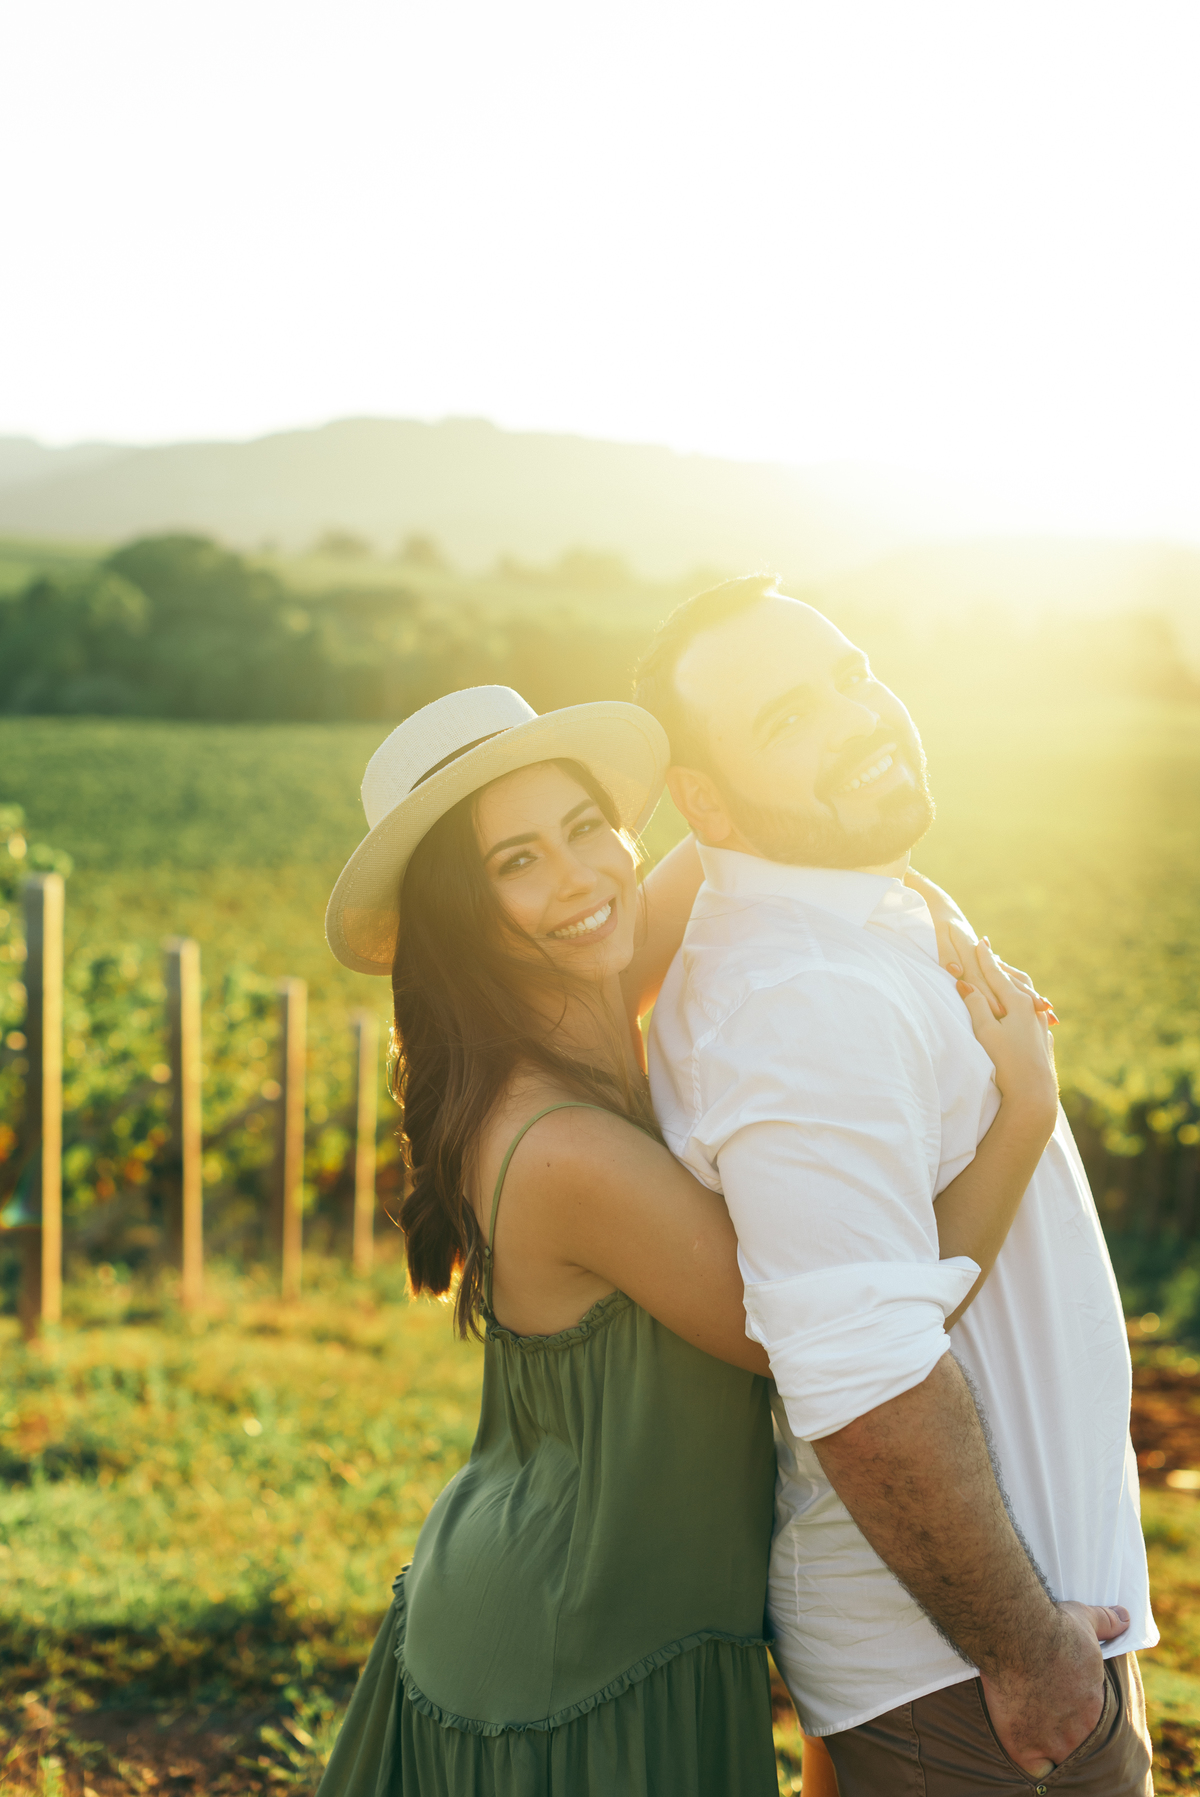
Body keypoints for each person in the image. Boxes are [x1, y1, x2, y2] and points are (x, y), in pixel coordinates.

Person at [317, 683, 1091, 1797]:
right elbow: (824, 1336)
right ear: (458, 915)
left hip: (625, 1609)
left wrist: (940, 920)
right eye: (517, 862)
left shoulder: (582, 991)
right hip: (577, 1650)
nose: (580, 877)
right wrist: (1022, 1110)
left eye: (588, 829)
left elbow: (794, 844)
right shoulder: (561, 1146)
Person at [635, 575, 1157, 1796]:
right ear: (706, 802)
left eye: (849, 675)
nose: (858, 720)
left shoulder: (849, 904)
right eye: (786, 723)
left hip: (996, 1654)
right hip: (977, 1688)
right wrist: (1032, 1662)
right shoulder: (802, 1000)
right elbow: (861, 1376)